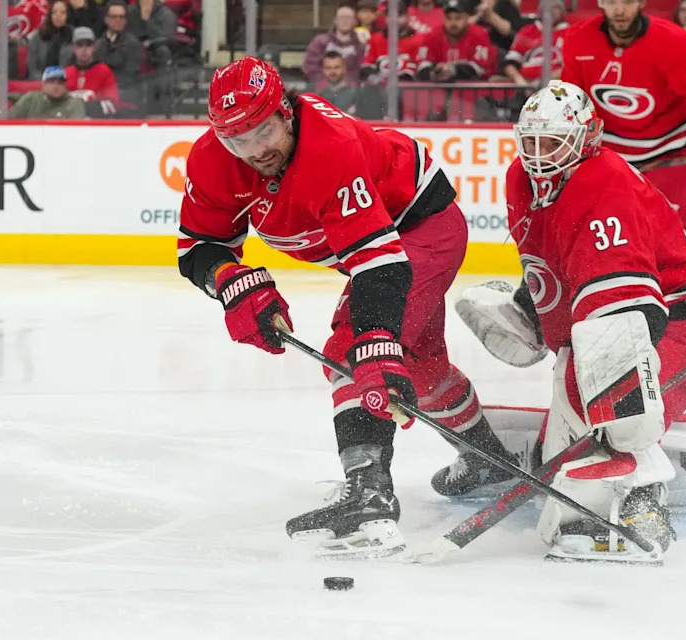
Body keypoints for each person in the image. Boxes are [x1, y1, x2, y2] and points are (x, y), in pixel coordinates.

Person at [176, 57, 513, 557]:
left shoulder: (329, 149)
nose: (254, 151)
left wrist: (374, 341)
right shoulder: (212, 160)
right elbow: (198, 246)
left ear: (286, 112)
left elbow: (379, 263)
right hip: (378, 250)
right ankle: (487, 459)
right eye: (237, 140)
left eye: (263, 130)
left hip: (419, 228)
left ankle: (370, 495)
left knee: (355, 349)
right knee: (416, 366)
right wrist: (230, 280)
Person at [477, 81, 686, 562]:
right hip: (622, 320)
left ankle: (642, 497)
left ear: (587, 138)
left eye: (553, 142)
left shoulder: (603, 180)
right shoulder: (522, 178)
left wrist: (602, 398)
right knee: (572, 420)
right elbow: (555, 265)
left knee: (611, 398)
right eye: (530, 142)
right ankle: (658, 449)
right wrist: (535, 314)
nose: (538, 155)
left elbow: (629, 314)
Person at [560, 0, 686, 351]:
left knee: (662, 252)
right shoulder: (577, 41)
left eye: (627, 1)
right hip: (611, 162)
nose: (620, 10)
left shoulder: (676, 43)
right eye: (611, 2)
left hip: (671, 158)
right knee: (602, 243)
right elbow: (572, 102)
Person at [9, 65, 87, 119]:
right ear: (43, 84)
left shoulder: (74, 104)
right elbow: (7, 119)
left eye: (60, 82)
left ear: (65, 85)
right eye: (51, 82)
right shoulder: (31, 99)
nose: (56, 86)